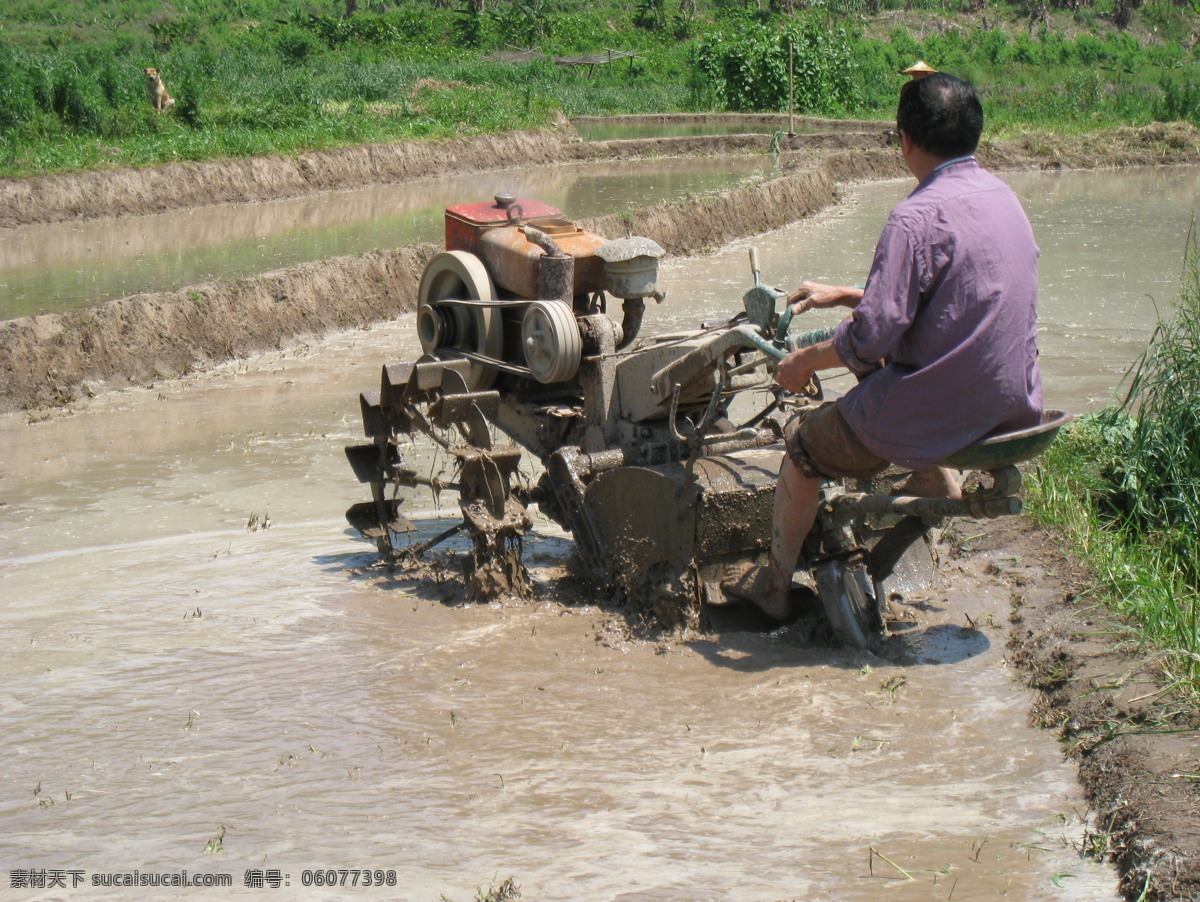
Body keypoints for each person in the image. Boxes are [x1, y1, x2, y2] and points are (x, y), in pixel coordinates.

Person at [725, 72, 1043, 620]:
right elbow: (949, 300)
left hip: (946, 410)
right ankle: (932, 491)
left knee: (803, 448)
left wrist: (803, 360)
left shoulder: (913, 218)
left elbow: (872, 338)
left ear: (906, 139)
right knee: (883, 377)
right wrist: (849, 294)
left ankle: (774, 588)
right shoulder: (1004, 198)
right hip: (1012, 403)